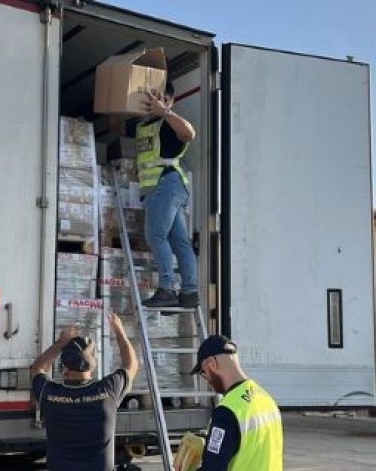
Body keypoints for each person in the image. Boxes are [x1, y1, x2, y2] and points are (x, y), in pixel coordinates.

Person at [109, 83, 199, 309]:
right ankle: (189, 292)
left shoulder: (169, 123)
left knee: (156, 236)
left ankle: (166, 289)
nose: (157, 102)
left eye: (162, 99)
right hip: (161, 187)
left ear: (170, 100)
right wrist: (121, 101)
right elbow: (115, 126)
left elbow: (189, 133)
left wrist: (165, 112)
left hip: (165, 183)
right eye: (153, 98)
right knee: (179, 241)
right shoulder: (143, 125)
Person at [30, 313, 139, 471]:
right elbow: (131, 365)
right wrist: (119, 331)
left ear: (64, 368)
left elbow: (37, 368)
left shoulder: (49, 393)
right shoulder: (109, 390)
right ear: (93, 367)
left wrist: (61, 342)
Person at [190, 335, 283, 471]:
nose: (207, 380)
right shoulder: (266, 398)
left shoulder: (227, 411)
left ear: (212, 364)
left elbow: (213, 468)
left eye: (204, 373)